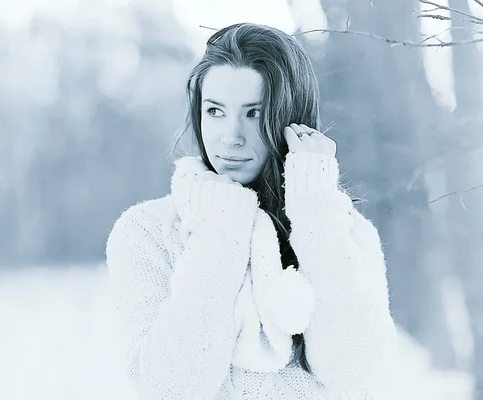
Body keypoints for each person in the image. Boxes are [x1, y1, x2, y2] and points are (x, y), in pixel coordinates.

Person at [105, 22, 397, 399]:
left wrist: (314, 211)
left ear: (292, 117)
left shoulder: (342, 231)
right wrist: (220, 231)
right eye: (215, 111)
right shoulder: (148, 232)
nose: (230, 136)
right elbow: (170, 388)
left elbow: (356, 375)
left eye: (254, 113)